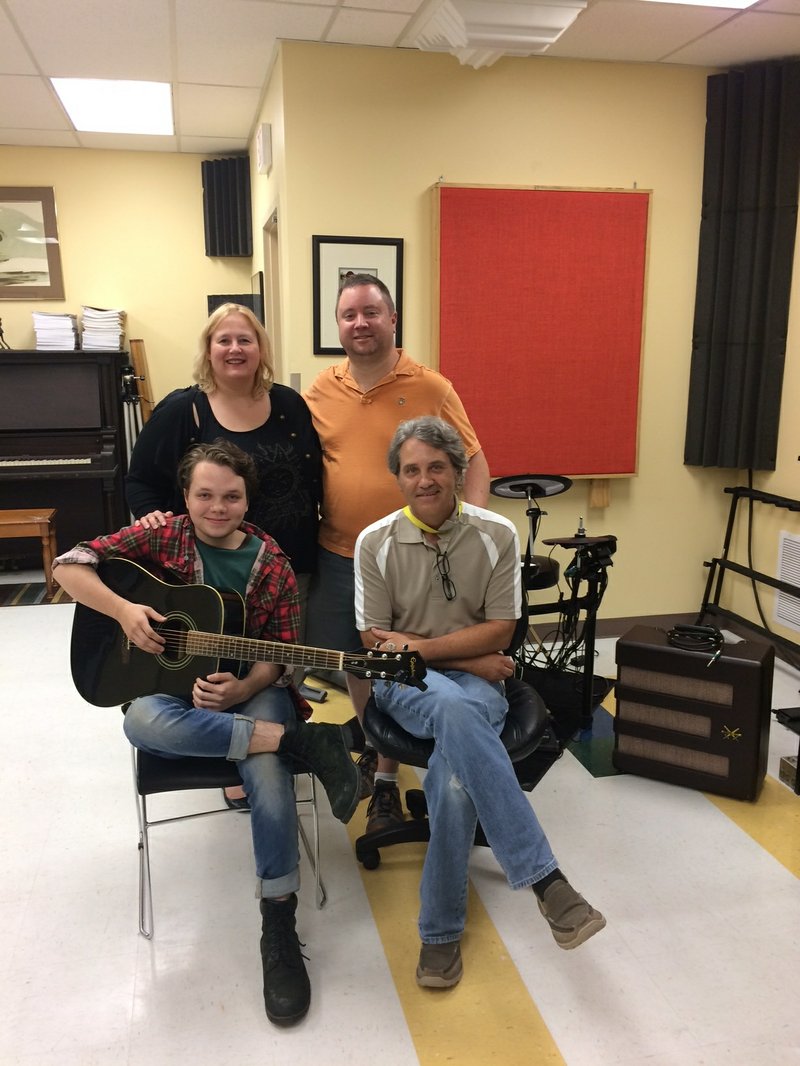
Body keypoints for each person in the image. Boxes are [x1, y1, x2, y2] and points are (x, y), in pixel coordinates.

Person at [54, 440, 359, 1027]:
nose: (217, 508)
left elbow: (283, 657)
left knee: (266, 777)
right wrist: (123, 612)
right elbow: (68, 566)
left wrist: (243, 692)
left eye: (231, 496)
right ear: (186, 496)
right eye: (204, 495)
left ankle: (278, 920)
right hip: (170, 692)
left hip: (248, 686)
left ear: (248, 498)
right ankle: (298, 742)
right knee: (141, 721)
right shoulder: (162, 535)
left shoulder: (269, 563)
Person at [354, 417, 605, 988]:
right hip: (402, 683)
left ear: (459, 472)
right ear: (398, 478)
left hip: (473, 687)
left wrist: (433, 650)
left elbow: (500, 632)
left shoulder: (497, 535)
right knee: (456, 710)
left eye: (437, 467)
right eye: (412, 469)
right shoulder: (376, 542)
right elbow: (376, 643)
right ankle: (547, 883)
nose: (425, 480)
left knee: (455, 774)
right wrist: (464, 660)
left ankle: (438, 934)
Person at [304, 273, 490, 833]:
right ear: (337, 324)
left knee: (405, 657)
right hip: (340, 554)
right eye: (348, 314)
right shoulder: (319, 390)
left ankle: (389, 775)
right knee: (359, 660)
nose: (359, 323)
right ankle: (376, 751)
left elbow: (475, 462)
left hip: (412, 555)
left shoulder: (431, 386)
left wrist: (470, 533)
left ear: (392, 319)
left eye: (370, 312)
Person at [126, 302, 323, 808]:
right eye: (224, 340)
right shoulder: (183, 409)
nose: (235, 349)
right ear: (208, 350)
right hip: (208, 575)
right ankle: (247, 754)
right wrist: (153, 521)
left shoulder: (289, 404)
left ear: (261, 350)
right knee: (211, 669)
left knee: (273, 666)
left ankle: (255, 749)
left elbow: (314, 475)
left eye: (246, 340)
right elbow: (141, 481)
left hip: (284, 566)